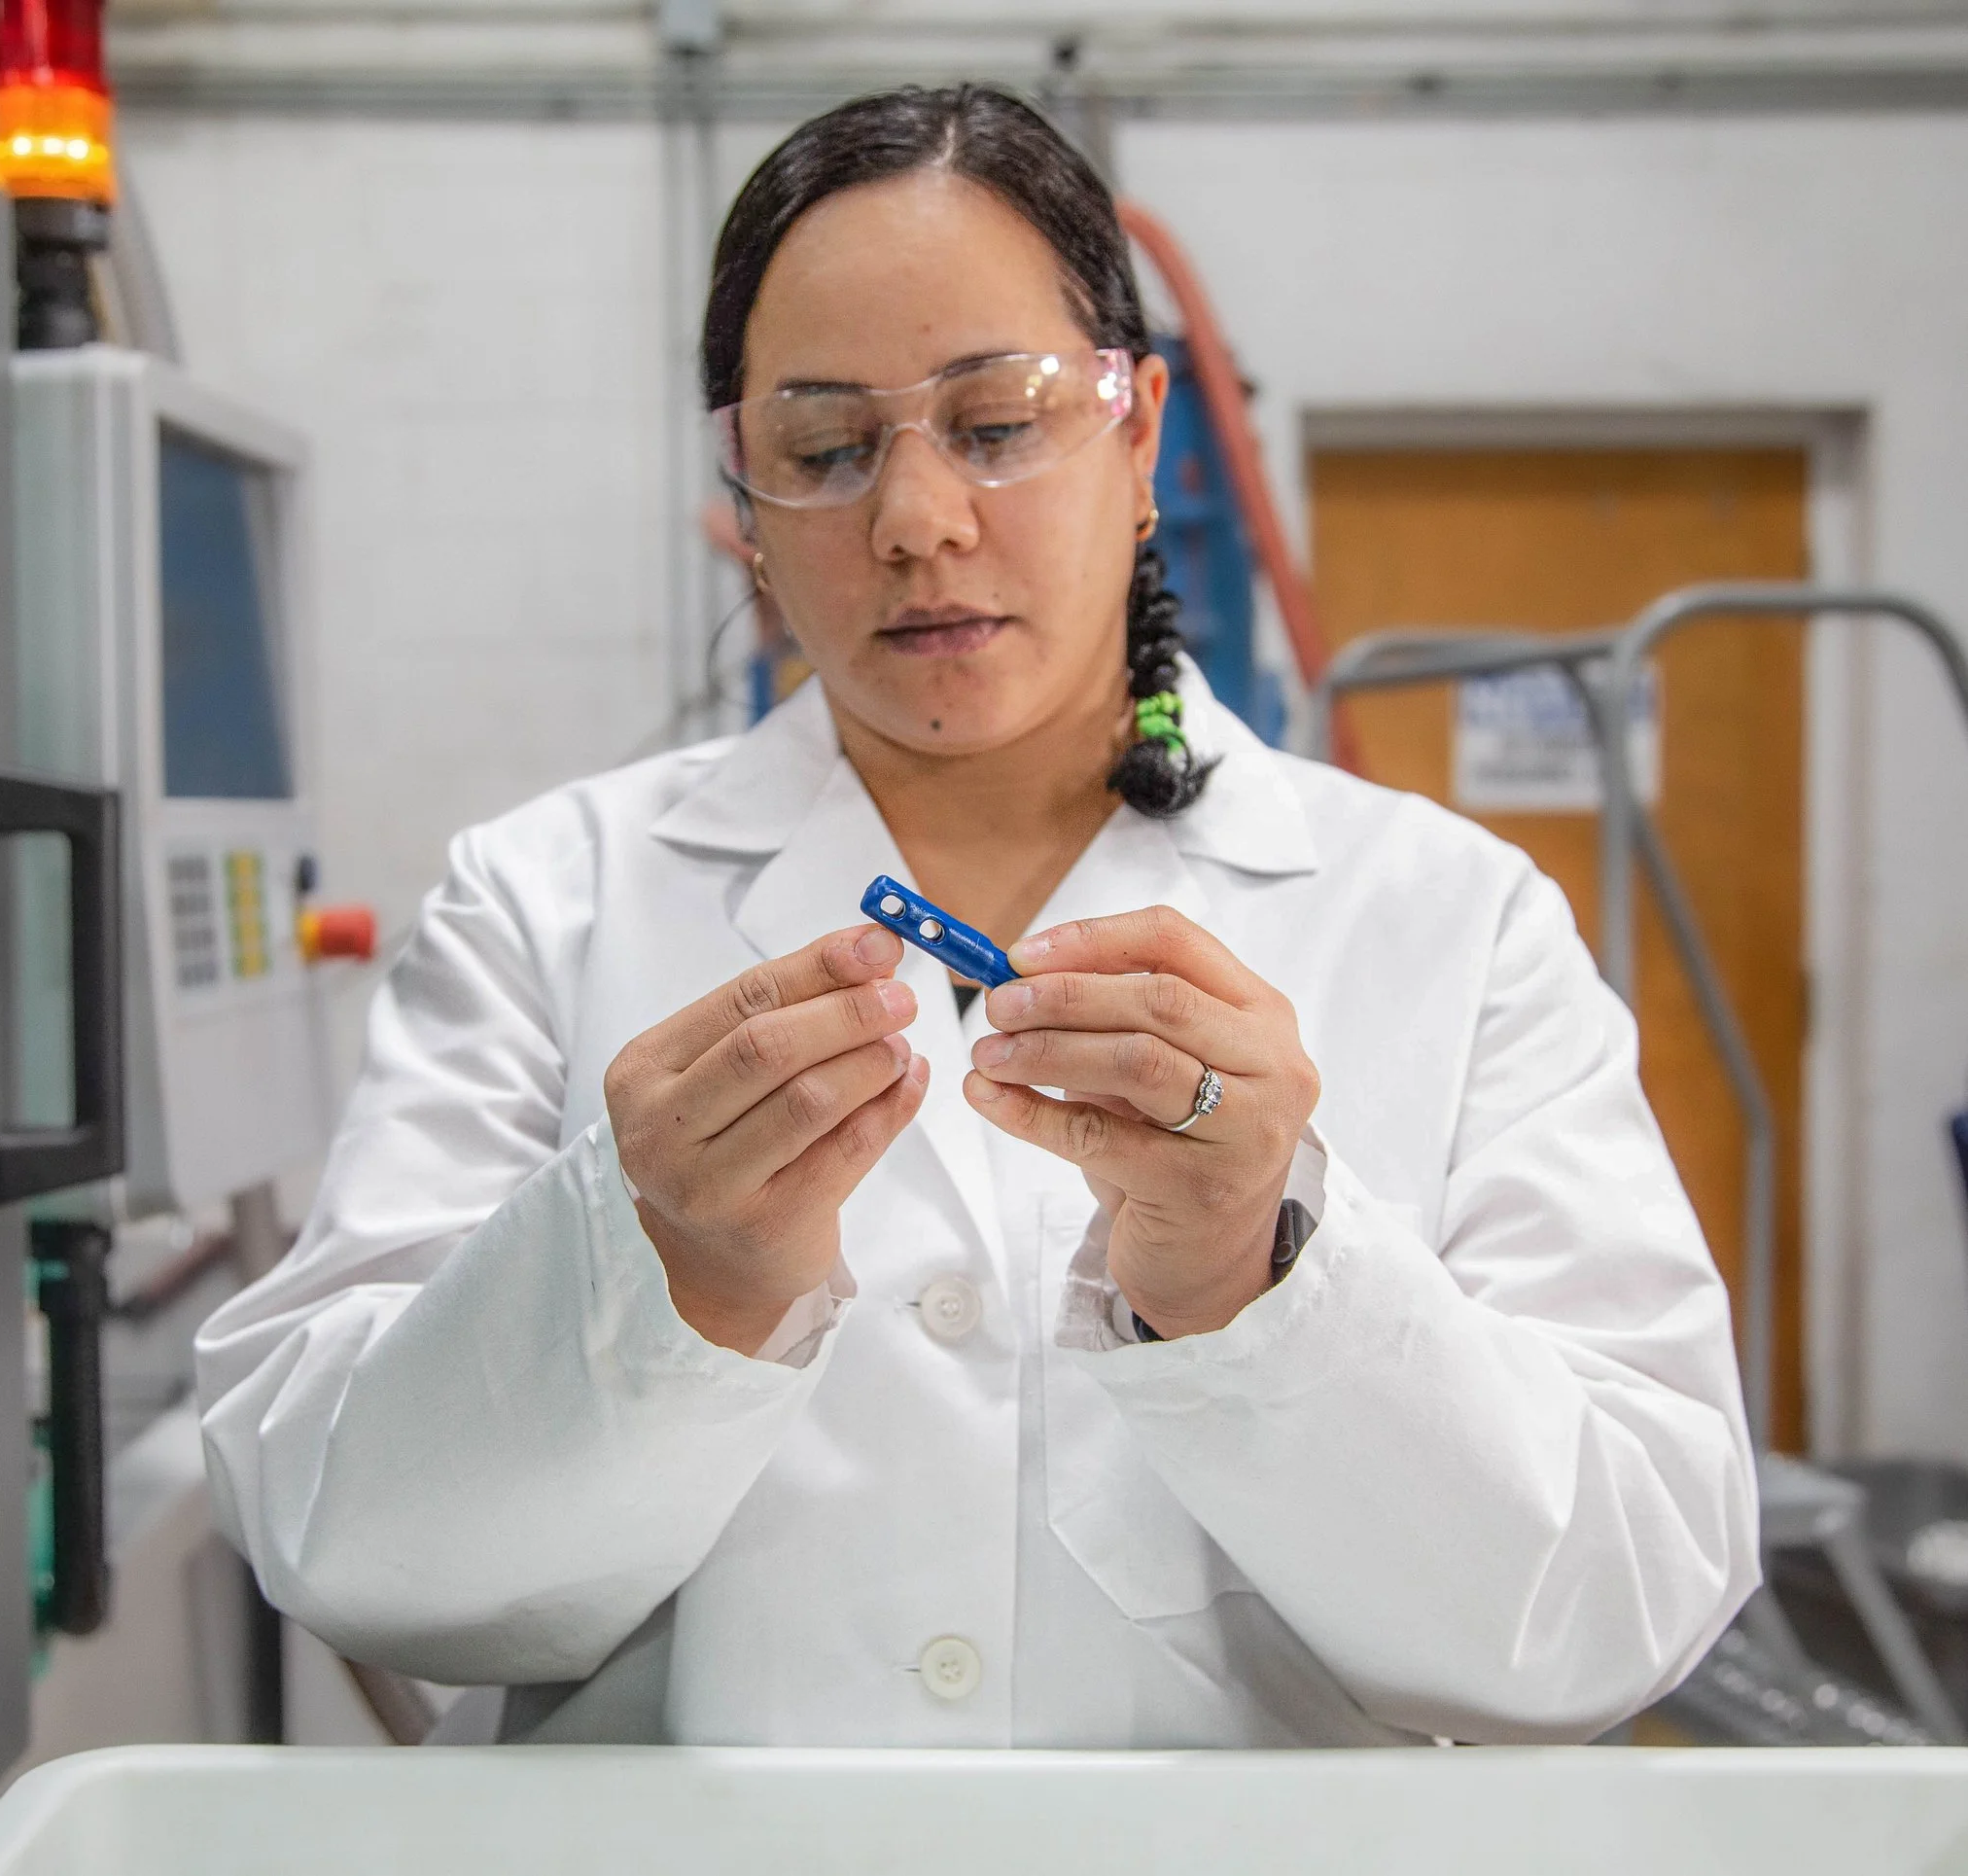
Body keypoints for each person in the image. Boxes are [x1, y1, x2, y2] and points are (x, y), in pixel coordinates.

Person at [196, 84, 1758, 1749]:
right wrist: (670, 1282)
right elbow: (345, 1543)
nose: (918, 521)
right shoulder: (547, 902)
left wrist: (1253, 1279)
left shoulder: (1449, 923)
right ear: (746, 499)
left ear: (1139, 436)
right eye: (825, 447)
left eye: (997, 423)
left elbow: (1624, 1593)